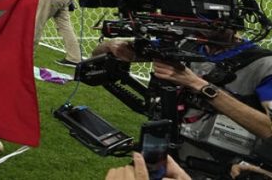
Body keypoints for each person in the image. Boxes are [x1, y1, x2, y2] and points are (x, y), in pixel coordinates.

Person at [94, 34, 272, 179]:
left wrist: (198, 85)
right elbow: (98, 57)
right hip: (167, 161)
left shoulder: (264, 64)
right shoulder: (181, 45)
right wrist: (111, 46)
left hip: (228, 170)